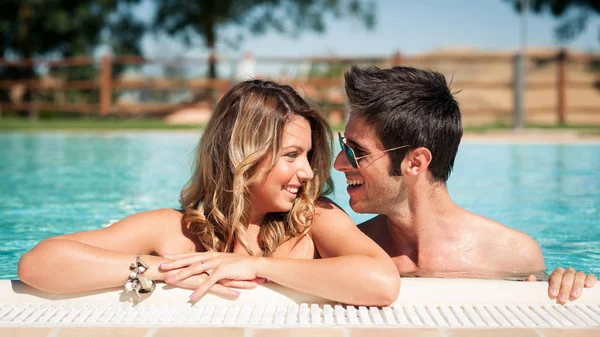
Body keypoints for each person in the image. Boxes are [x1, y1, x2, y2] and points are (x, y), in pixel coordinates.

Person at [18, 79, 400, 305]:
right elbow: (38, 264)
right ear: (242, 156)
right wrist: (167, 270)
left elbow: (382, 283)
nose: (306, 171)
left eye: (308, 155)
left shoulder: (313, 220)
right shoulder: (176, 230)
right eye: (291, 155)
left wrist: (255, 265)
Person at [333, 65, 597, 305]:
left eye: (357, 152)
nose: (338, 163)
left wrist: (567, 283)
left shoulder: (513, 256)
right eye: (344, 146)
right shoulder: (348, 249)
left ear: (415, 162)